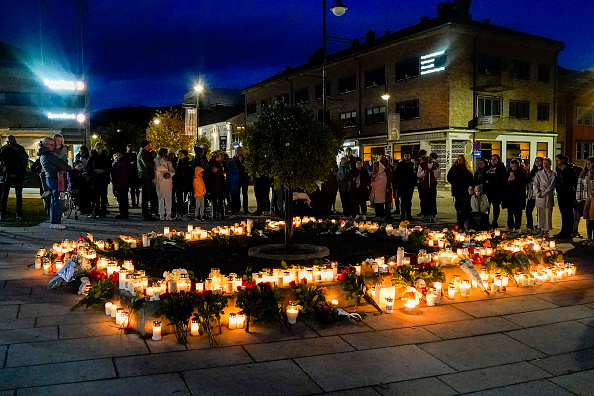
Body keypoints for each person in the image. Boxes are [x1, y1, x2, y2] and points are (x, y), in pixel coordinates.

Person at [38, 137, 71, 229]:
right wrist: (69, 168)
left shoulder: (43, 154)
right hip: (53, 178)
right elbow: (62, 165)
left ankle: (55, 221)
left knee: (54, 200)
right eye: (52, 144)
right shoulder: (49, 155)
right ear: (46, 144)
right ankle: (55, 222)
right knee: (56, 201)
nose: (54, 146)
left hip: (50, 178)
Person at [0, 135, 29, 221]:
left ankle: (19, 214)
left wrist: (18, 151)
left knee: (19, 196)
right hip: (7, 174)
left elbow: (25, 157)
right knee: (4, 196)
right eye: (9, 142)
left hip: (18, 174)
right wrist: (6, 148)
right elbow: (0, 157)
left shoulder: (19, 148)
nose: (11, 144)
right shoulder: (4, 149)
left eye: (12, 142)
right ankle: (3, 214)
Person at [554, 154, 578, 238]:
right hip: (561, 194)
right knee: (563, 213)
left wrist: (574, 195)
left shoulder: (569, 170)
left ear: (563, 160)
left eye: (558, 160)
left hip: (568, 194)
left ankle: (569, 231)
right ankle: (564, 230)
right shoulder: (559, 170)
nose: (556, 162)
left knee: (568, 213)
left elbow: (574, 183)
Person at [447, 154, 474, 227]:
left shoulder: (466, 169)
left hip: (465, 190)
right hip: (457, 190)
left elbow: (470, 178)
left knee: (464, 205)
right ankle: (459, 218)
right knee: (458, 205)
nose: (459, 160)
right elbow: (449, 177)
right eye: (458, 159)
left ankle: (463, 219)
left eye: (461, 159)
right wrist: (454, 183)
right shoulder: (454, 168)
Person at [86, 142, 112, 218]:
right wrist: (95, 170)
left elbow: (109, 167)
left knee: (103, 195)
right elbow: (88, 167)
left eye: (100, 148)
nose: (99, 150)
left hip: (103, 178)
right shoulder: (92, 157)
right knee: (95, 195)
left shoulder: (106, 157)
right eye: (97, 149)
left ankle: (103, 210)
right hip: (95, 178)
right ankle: (96, 210)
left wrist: (103, 170)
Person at [503, 159, 527, 231]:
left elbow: (522, 184)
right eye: (512, 166)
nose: (513, 168)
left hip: (518, 196)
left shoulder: (522, 173)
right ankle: (510, 225)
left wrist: (514, 180)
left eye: (515, 166)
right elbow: (504, 183)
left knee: (518, 213)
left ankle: (517, 226)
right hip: (510, 196)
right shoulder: (507, 173)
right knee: (510, 212)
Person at [534, 158, 556, 236]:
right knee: (540, 213)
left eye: (547, 163)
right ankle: (541, 229)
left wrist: (544, 193)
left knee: (548, 213)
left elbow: (551, 186)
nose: (545, 165)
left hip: (548, 195)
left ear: (550, 164)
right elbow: (535, 184)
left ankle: (546, 230)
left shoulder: (553, 174)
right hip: (540, 195)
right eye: (544, 163)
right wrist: (538, 192)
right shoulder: (539, 174)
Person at [484, 154, 506, 228]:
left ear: (498, 160)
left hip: (497, 191)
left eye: (495, 159)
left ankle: (495, 221)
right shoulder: (488, 168)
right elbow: (485, 176)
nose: (493, 161)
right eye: (492, 159)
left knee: (496, 206)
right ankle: (486, 220)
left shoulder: (501, 168)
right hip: (488, 191)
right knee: (487, 206)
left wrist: (491, 177)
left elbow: (499, 178)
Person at [417, 152, 440, 222]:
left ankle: (432, 214)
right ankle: (424, 214)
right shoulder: (422, 165)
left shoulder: (436, 165)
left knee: (432, 201)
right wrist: (425, 172)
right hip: (424, 185)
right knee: (424, 201)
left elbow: (437, 176)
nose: (430, 159)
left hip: (432, 186)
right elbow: (418, 175)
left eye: (432, 158)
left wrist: (434, 170)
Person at [153, 148, 175, 220]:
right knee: (161, 198)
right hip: (160, 181)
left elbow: (172, 170)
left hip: (168, 181)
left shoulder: (167, 161)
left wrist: (170, 174)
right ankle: (161, 214)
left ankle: (168, 213)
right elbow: (158, 168)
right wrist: (167, 170)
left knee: (168, 198)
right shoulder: (157, 160)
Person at [394, 153, 416, 221]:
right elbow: (397, 175)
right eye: (405, 156)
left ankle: (409, 214)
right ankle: (403, 214)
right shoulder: (400, 165)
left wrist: (414, 183)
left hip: (410, 186)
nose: (406, 157)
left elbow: (414, 175)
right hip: (402, 186)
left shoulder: (412, 165)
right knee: (403, 201)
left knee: (409, 201)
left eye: (408, 156)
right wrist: (396, 185)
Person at [137, 140, 156, 221]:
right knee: (146, 196)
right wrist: (153, 160)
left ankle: (147, 213)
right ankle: (145, 214)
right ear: (146, 146)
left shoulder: (143, 153)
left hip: (146, 176)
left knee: (147, 195)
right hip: (145, 176)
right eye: (149, 144)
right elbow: (147, 165)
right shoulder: (144, 154)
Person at [575, 157, 594, 238]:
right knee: (588, 219)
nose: (588, 165)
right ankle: (589, 237)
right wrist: (579, 199)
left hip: (593, 199)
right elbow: (579, 187)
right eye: (587, 163)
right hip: (586, 199)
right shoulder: (584, 174)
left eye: (589, 163)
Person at [173, 150, 192, 219]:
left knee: (184, 199)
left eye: (181, 154)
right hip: (179, 184)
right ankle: (179, 212)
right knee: (178, 199)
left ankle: (184, 213)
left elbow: (187, 175)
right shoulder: (179, 162)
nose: (179, 155)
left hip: (183, 184)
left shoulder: (185, 163)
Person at [525, 157, 543, 230]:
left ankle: (540, 225)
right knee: (528, 210)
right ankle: (529, 225)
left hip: (539, 193)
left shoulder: (543, 172)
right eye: (536, 161)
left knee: (540, 211)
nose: (537, 162)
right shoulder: (533, 171)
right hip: (531, 193)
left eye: (539, 161)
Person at [111, 151, 129, 219]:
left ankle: (123, 213)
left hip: (120, 183)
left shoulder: (121, 162)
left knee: (122, 199)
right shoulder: (121, 162)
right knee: (122, 199)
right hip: (122, 183)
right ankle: (124, 213)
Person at [209, 154, 226, 220]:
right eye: (213, 168)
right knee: (214, 204)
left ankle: (222, 215)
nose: (213, 169)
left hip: (219, 191)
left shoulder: (220, 176)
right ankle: (214, 215)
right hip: (214, 191)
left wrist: (223, 191)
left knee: (220, 203)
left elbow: (223, 184)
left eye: (214, 168)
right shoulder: (212, 175)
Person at [233, 147, 250, 213]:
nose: (238, 152)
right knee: (237, 194)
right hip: (237, 178)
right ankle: (238, 207)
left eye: (239, 151)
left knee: (245, 193)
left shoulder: (245, 159)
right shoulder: (234, 159)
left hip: (244, 178)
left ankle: (245, 208)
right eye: (237, 151)